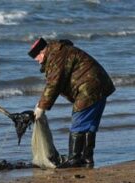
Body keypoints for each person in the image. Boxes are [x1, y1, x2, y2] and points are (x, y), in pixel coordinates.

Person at [28, 38, 115, 168]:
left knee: (79, 122)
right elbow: (55, 83)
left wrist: (41, 108)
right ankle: (87, 158)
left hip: (88, 88)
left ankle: (74, 159)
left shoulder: (57, 56)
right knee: (89, 125)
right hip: (99, 85)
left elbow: (54, 84)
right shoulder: (60, 52)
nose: (36, 60)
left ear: (43, 51)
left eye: (36, 56)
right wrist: (41, 103)